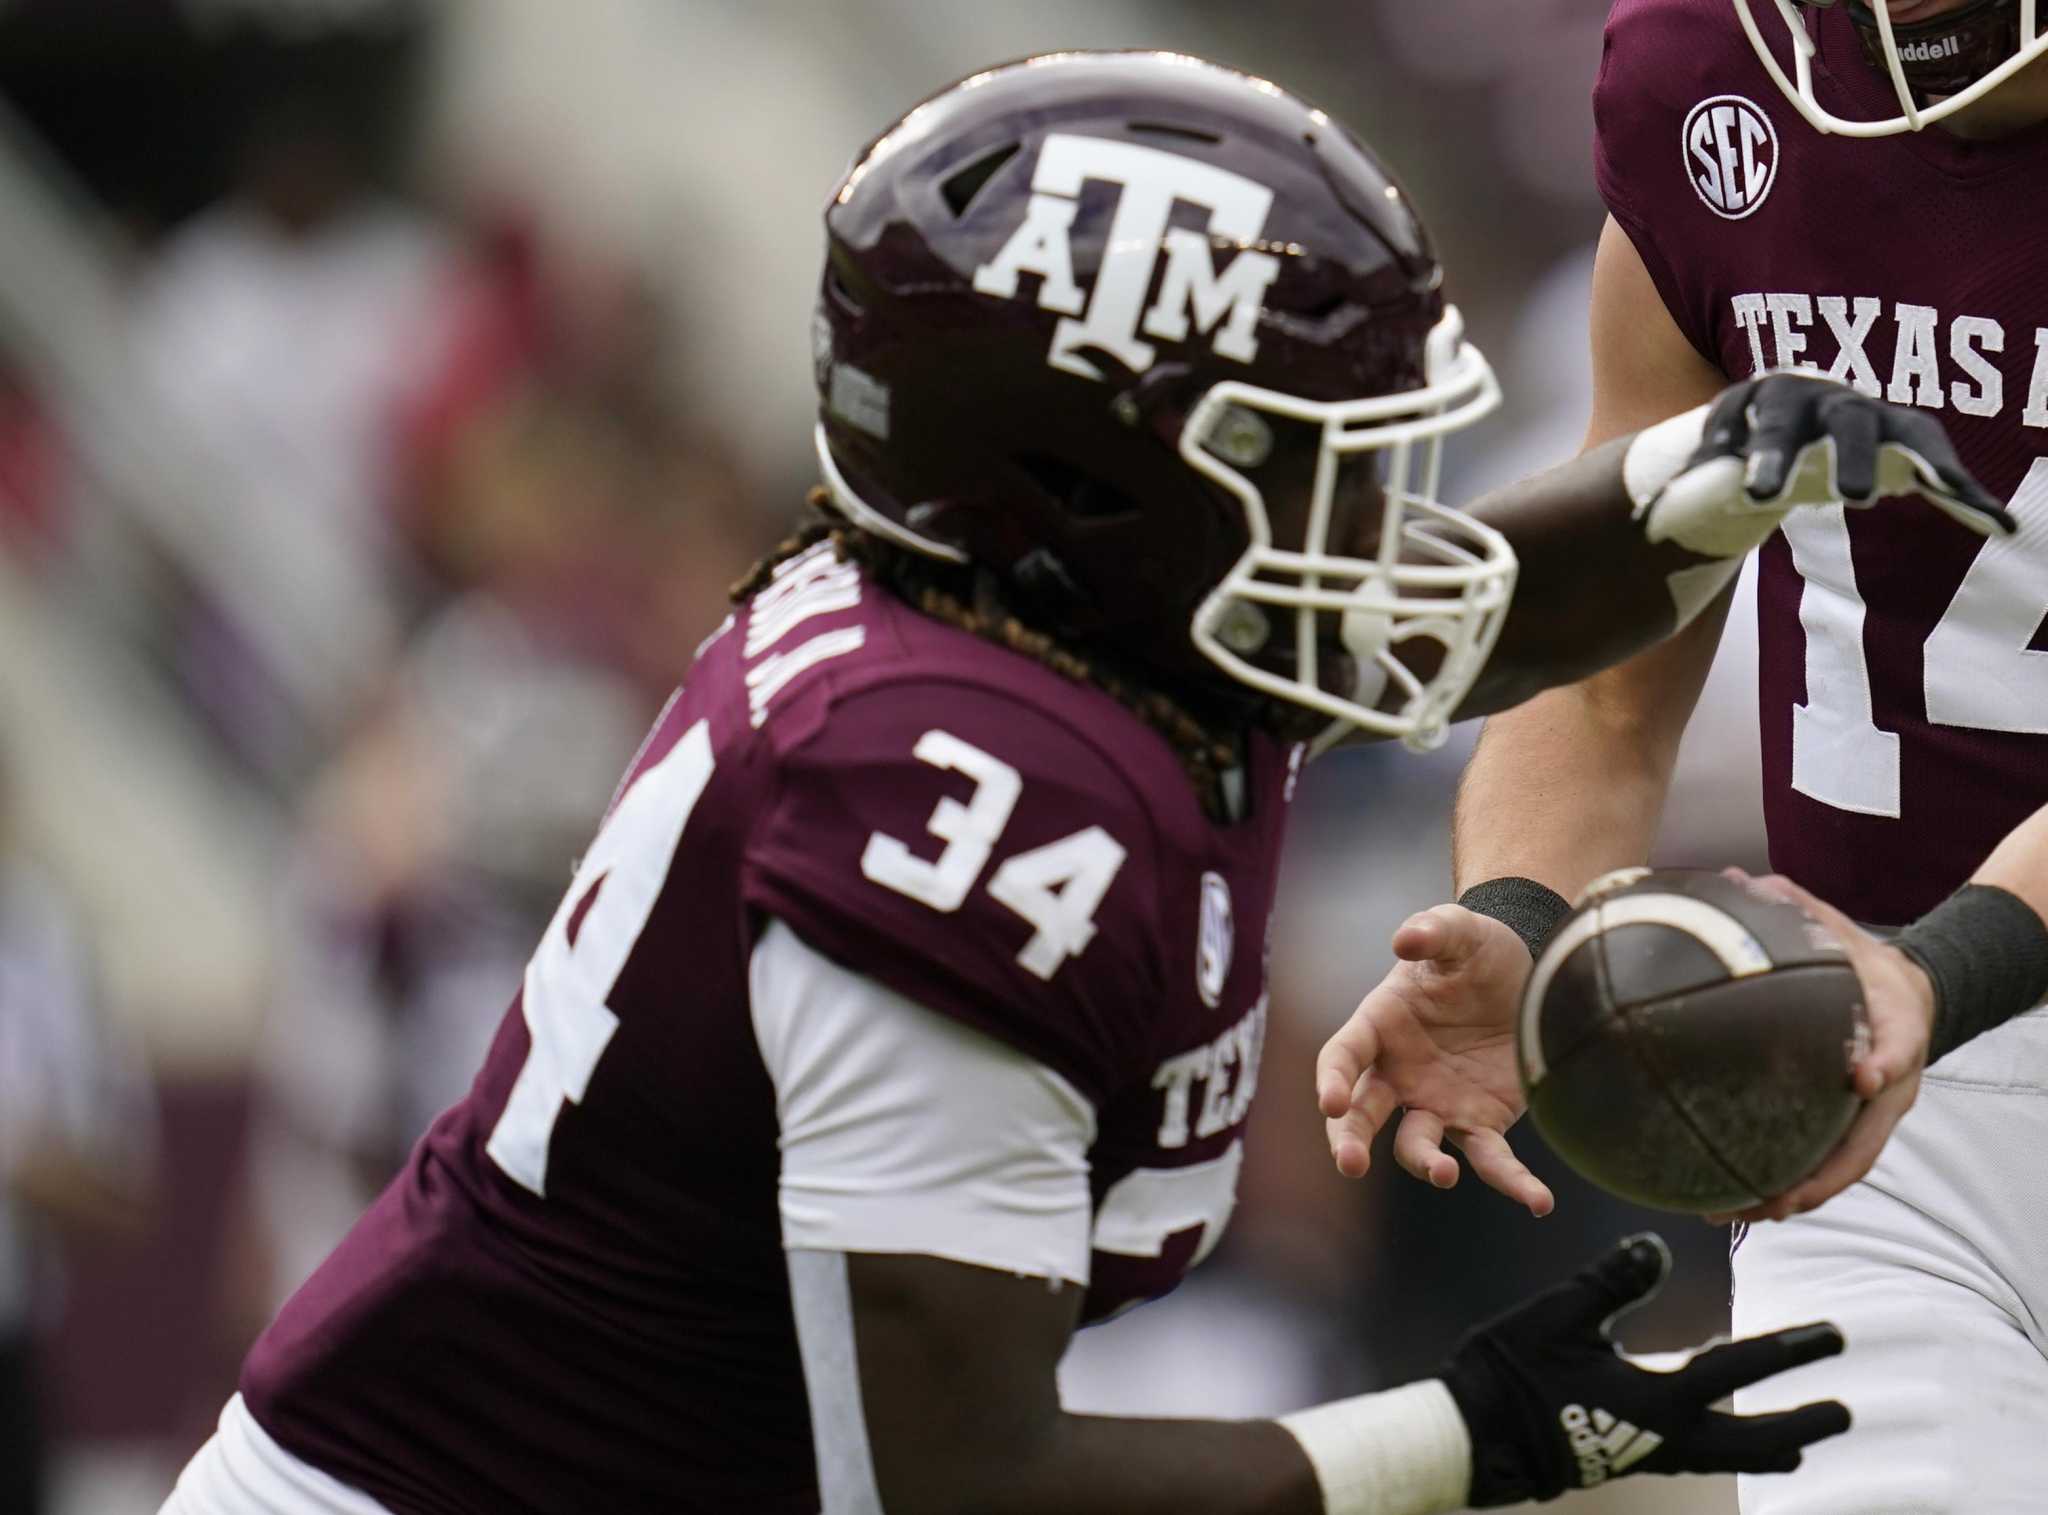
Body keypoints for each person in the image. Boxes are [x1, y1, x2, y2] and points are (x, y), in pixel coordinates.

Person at [162, 50, 2007, 1515]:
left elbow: (1450, 613)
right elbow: (959, 1480)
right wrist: (1470, 1436)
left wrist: (1713, 485)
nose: (1362, 523)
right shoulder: (963, 809)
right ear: (1100, 478)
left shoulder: (1026, 604)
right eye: (1291, 455)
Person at [1316, 5, 2048, 1513]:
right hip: (1880, 1100)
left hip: (1916, 995)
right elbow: (1613, 661)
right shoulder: (1707, 76)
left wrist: (1944, 969)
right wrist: (1517, 921)